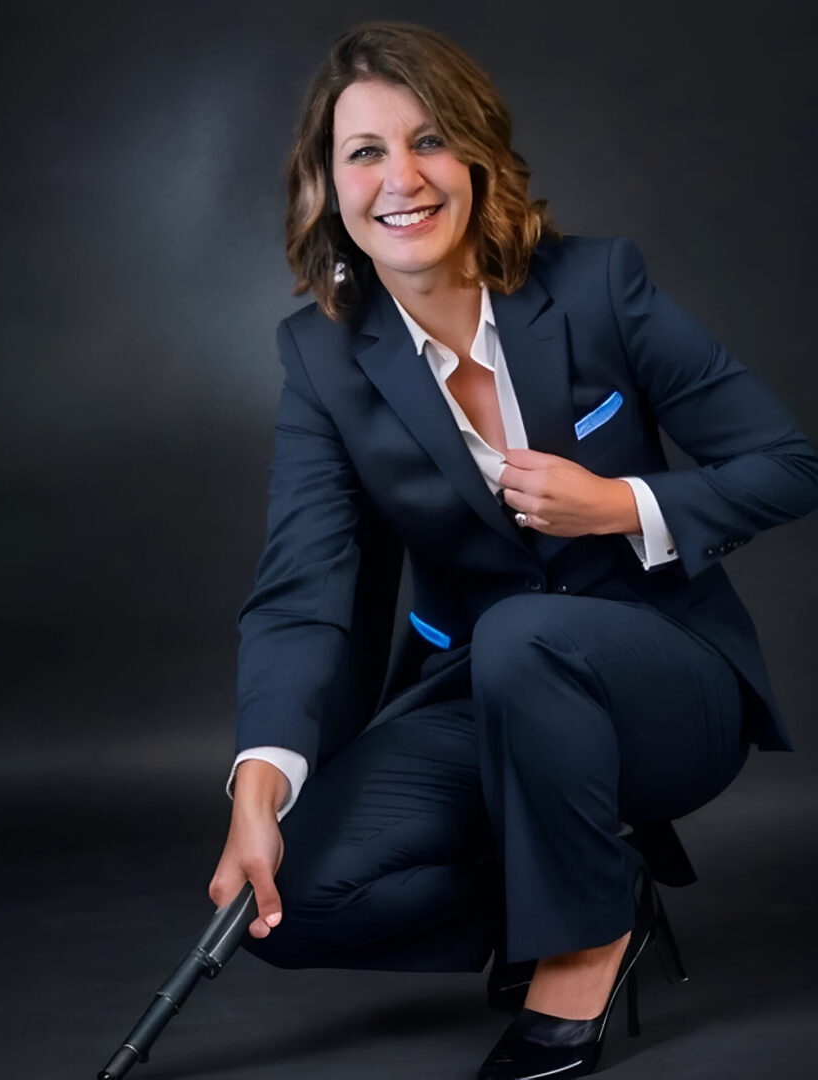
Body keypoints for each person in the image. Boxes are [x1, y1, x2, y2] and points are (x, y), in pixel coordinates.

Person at [208, 20, 818, 1079]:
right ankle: (592, 883)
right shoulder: (319, 357)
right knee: (287, 912)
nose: (401, 178)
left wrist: (620, 504)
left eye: (430, 141)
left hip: (664, 683)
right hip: (476, 695)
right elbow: (304, 588)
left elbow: (787, 462)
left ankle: (578, 958)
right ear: (328, 186)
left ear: (479, 159)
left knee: (528, 631)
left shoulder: (595, 286)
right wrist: (258, 785)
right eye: (364, 152)